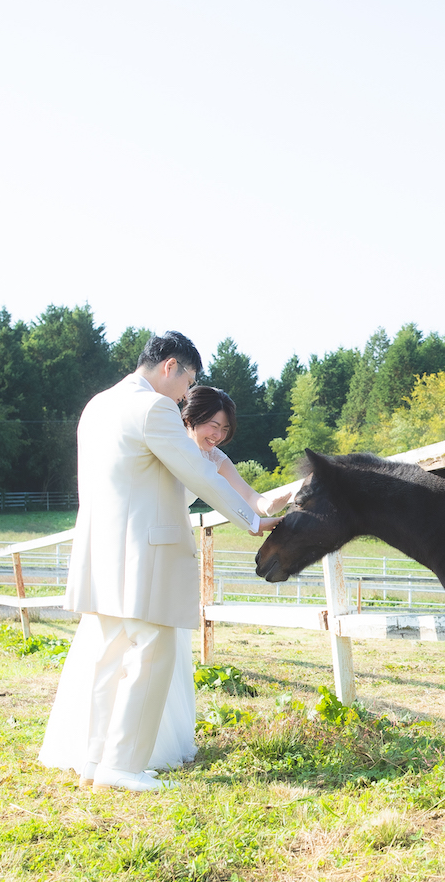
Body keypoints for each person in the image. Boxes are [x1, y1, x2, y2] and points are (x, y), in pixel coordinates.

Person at [39, 331, 280, 794]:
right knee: (154, 654)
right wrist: (250, 519)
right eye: (188, 381)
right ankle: (122, 765)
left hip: (102, 552)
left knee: (107, 658)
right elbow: (196, 471)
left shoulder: (97, 406)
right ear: (170, 366)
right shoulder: (153, 408)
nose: (187, 394)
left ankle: (94, 760)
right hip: (145, 553)